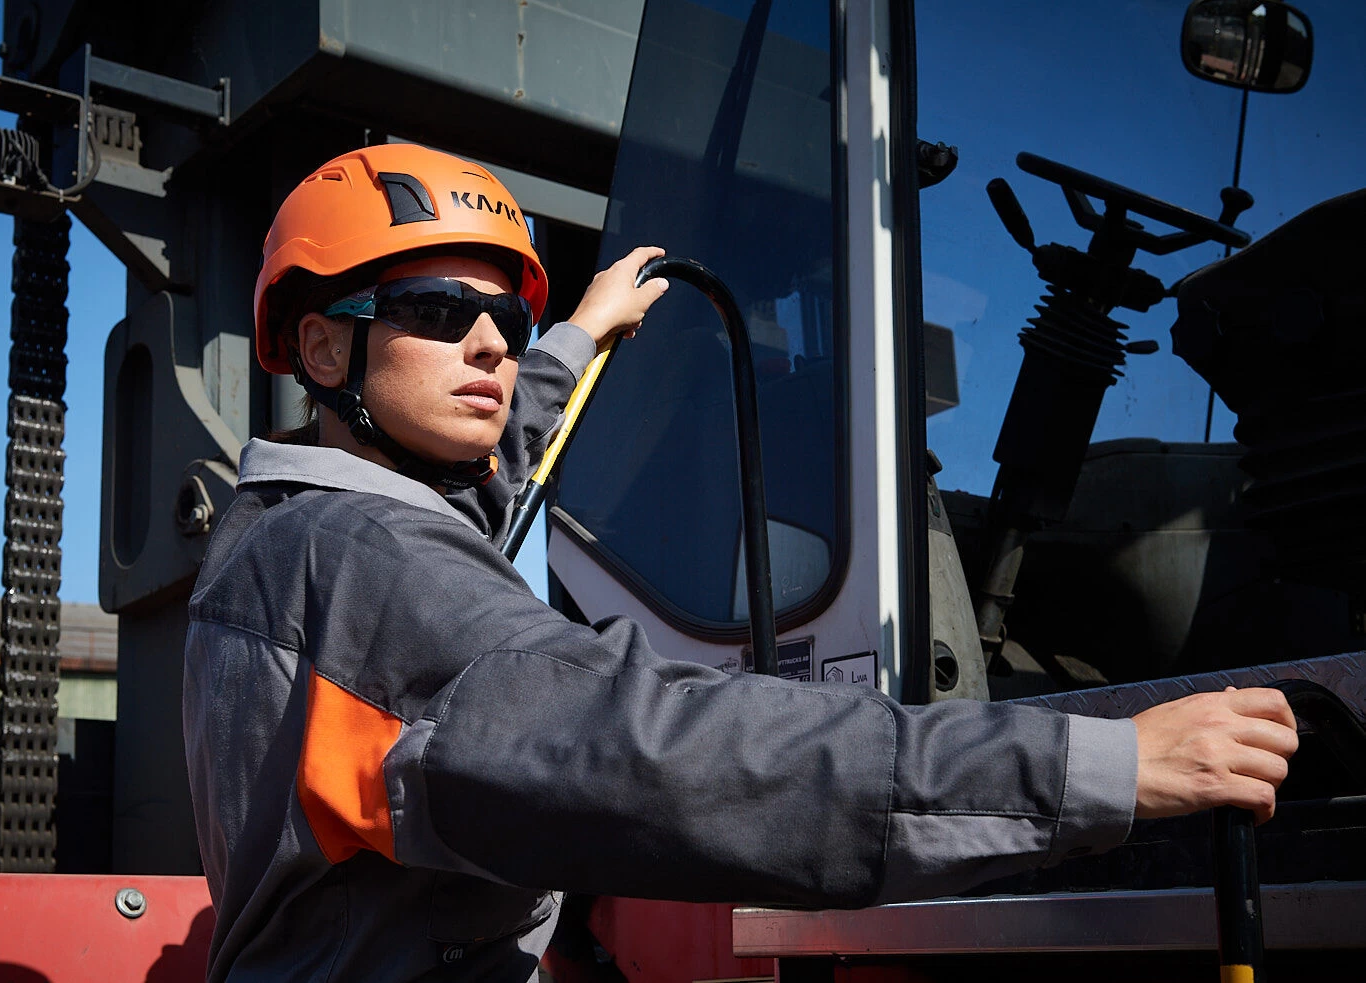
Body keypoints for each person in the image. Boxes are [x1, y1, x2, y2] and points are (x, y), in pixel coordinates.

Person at [182, 143, 1299, 982]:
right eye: (437, 309)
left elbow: (484, 454)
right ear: (324, 347)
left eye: (503, 323)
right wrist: (1095, 766)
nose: (490, 343)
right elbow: (655, 747)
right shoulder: (371, 559)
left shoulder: (283, 532)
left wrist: (574, 338)